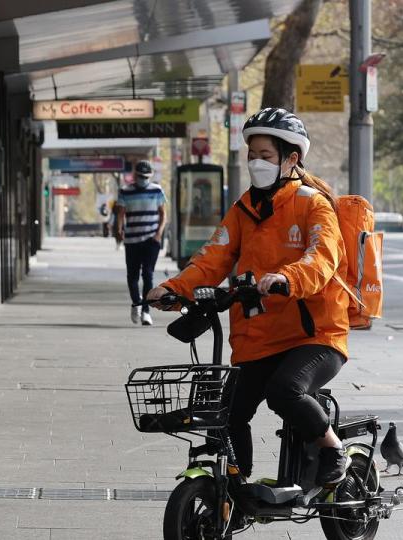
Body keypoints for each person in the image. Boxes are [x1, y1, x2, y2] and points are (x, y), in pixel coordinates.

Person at [146, 108, 351, 485]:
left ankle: (332, 449)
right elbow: (212, 257)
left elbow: (322, 258)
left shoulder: (313, 204)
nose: (257, 163)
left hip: (315, 336)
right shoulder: (243, 210)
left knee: (283, 391)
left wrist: (286, 278)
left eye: (266, 156)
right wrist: (174, 289)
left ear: (292, 159)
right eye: (252, 155)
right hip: (259, 338)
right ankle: (234, 489)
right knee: (227, 412)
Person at [116, 160, 167, 326]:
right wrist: (119, 230)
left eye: (146, 177)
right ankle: (136, 302)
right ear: (135, 175)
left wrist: (158, 233)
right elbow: (121, 214)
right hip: (132, 240)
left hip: (151, 240)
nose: (143, 179)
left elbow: (163, 215)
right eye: (140, 176)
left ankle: (146, 310)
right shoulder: (125, 191)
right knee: (132, 276)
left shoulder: (157, 190)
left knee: (148, 274)